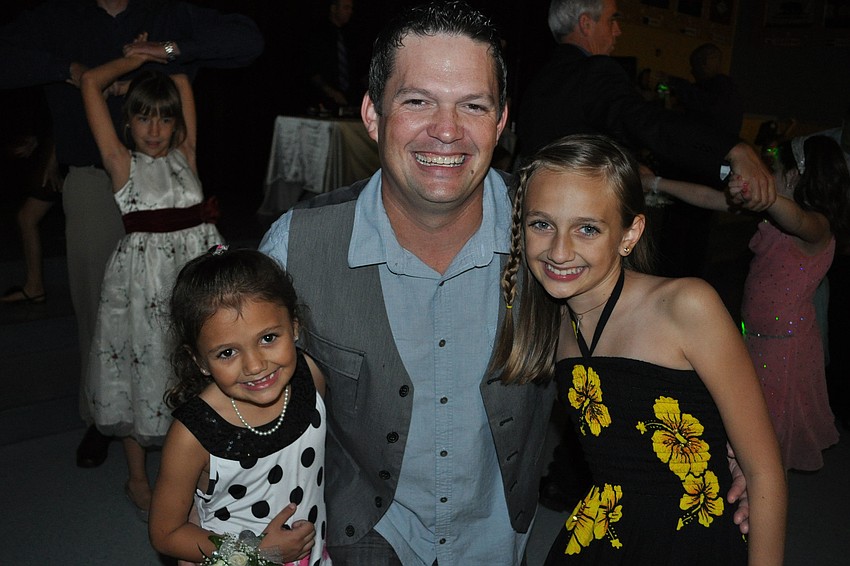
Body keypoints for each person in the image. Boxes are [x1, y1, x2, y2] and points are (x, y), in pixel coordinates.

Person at [260, 2, 750, 564]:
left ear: (501, 121)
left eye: (473, 105)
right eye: (417, 100)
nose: (446, 131)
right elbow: (238, 384)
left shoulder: (552, 240)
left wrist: (729, 440)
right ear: (372, 115)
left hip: (500, 537)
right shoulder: (297, 247)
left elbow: (640, 332)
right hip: (367, 532)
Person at [516, 0, 776, 511]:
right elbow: (646, 121)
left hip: (541, 254)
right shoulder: (595, 72)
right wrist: (729, 149)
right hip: (574, 259)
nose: (617, 32)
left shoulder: (538, 80)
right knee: (613, 362)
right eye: (612, 20)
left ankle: (572, 477)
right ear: (586, 23)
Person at [492, 134, 786, 564]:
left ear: (630, 234)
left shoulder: (685, 306)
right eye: (542, 224)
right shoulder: (551, 327)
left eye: (587, 228)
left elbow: (764, 473)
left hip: (693, 537)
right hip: (604, 531)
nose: (559, 250)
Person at [0, 0, 263, 469]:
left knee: (192, 327)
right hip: (98, 173)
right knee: (105, 316)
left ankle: (196, 424)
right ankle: (106, 415)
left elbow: (244, 41)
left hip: (174, 190)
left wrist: (162, 52)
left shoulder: (167, 10)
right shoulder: (53, 15)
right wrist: (78, 70)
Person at [646, 135, 849, 471]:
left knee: (763, 441)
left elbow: (797, 220)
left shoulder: (818, 227)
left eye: (777, 169)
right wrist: (655, 182)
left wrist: (760, 193)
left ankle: (758, 504)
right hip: (755, 341)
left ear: (795, 176)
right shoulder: (772, 215)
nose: (770, 173)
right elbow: (709, 197)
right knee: (743, 427)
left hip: (785, 354)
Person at [81, 49, 223, 516]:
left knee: (198, 370)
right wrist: (137, 60)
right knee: (142, 372)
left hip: (195, 283)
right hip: (143, 290)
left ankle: (200, 465)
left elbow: (182, 80)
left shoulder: (188, 154)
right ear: (128, 124)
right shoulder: (122, 164)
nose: (156, 130)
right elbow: (90, 84)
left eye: (165, 119)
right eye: (144, 118)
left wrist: (166, 57)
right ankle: (138, 478)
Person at [148, 247, 330, 565]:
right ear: (200, 361)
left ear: (295, 326)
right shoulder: (193, 434)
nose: (256, 365)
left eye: (269, 338)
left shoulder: (311, 377)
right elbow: (166, 533)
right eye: (227, 353)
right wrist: (260, 551)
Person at [0, 87, 60, 305]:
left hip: (67, 154)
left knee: (27, 217)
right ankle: (34, 286)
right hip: (56, 148)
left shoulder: (59, 64)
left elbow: (68, 115)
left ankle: (35, 287)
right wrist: (37, 140)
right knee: (27, 218)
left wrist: (53, 159)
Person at [305, 0, 361, 112]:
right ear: (334, 8)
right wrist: (330, 92)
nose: (350, 12)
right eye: (346, 8)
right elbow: (311, 69)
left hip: (348, 98)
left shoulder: (351, 36)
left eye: (351, 8)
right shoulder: (317, 34)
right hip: (321, 98)